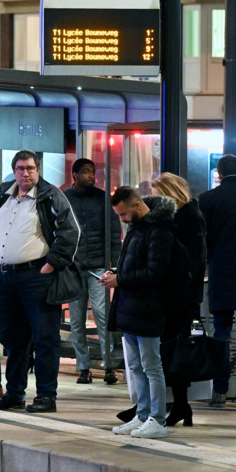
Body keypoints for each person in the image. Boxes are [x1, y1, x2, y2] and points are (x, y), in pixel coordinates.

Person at [0, 150, 81, 414]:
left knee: (44, 338)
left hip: (36, 276)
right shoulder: (4, 196)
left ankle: (46, 396)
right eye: (19, 168)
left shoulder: (50, 195)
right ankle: (14, 393)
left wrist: (51, 263)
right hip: (4, 276)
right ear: (13, 170)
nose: (24, 174)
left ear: (38, 169)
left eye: (29, 168)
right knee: (13, 339)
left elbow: (71, 232)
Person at [103, 187, 176, 439]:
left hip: (148, 308)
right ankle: (142, 415)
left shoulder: (159, 230)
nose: (121, 219)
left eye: (123, 214)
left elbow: (157, 273)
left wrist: (120, 279)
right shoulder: (137, 227)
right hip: (131, 307)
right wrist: (115, 275)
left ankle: (157, 419)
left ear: (137, 206)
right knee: (135, 366)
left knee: (151, 366)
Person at [197, 154, 236, 406]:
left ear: (219, 174)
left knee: (221, 332)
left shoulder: (208, 199)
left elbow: (202, 238)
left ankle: (219, 390)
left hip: (220, 272)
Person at [151, 173, 206, 428]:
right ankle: (181, 406)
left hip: (180, 297)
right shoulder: (184, 216)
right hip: (179, 296)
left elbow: (190, 259)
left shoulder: (186, 218)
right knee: (175, 351)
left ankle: (180, 406)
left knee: (176, 351)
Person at [63, 158, 121, 386]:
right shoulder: (65, 199)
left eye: (92, 172)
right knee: (76, 321)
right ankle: (83, 367)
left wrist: (114, 264)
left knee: (102, 317)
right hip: (74, 268)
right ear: (74, 174)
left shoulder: (103, 198)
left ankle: (109, 366)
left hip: (98, 267)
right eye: (86, 172)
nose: (91, 176)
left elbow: (114, 233)